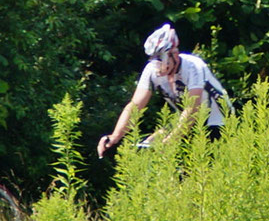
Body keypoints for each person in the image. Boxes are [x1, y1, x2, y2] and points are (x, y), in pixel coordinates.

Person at [97, 23, 231, 156]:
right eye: (153, 59)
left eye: (161, 59)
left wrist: (171, 140)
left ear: (175, 54)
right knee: (147, 148)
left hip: (219, 121)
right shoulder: (151, 70)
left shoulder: (193, 66)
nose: (157, 66)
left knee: (197, 167)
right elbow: (135, 105)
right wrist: (115, 136)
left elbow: (192, 109)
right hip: (187, 120)